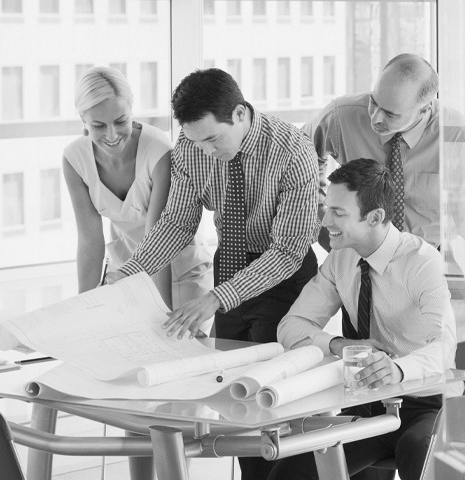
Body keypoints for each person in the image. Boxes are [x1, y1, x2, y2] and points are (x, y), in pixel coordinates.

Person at [102, 69, 320, 479]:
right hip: (230, 265)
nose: (205, 151)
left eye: (213, 139)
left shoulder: (293, 151)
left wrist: (216, 298)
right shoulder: (190, 148)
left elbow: (289, 250)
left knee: (273, 401)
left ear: (239, 114)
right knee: (236, 401)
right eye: (196, 140)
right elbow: (177, 223)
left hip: (285, 276)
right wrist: (130, 272)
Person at [306, 53, 465, 336]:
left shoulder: (457, 136)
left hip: (430, 260)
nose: (375, 117)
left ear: (424, 109)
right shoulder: (342, 115)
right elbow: (298, 161)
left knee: (452, 355)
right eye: (374, 102)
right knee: (368, 362)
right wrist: (323, 219)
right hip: (363, 262)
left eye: (391, 114)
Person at [275, 158, 458, 480]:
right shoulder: (340, 258)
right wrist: (339, 344)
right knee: (288, 475)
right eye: (326, 207)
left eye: (338, 213)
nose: (324, 220)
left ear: (374, 217)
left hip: (424, 405)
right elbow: (291, 326)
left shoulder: (422, 263)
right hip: (365, 405)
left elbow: (443, 346)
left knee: (421, 455)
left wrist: (397, 369)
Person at [62, 66, 212, 307]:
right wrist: (84, 308)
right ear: (83, 119)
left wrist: (161, 313)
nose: (112, 135)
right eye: (98, 125)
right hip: (124, 274)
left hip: (177, 275)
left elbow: (159, 242)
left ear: (131, 110)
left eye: (120, 121)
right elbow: (90, 244)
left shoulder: (158, 151)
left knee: (169, 339)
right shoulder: (74, 159)